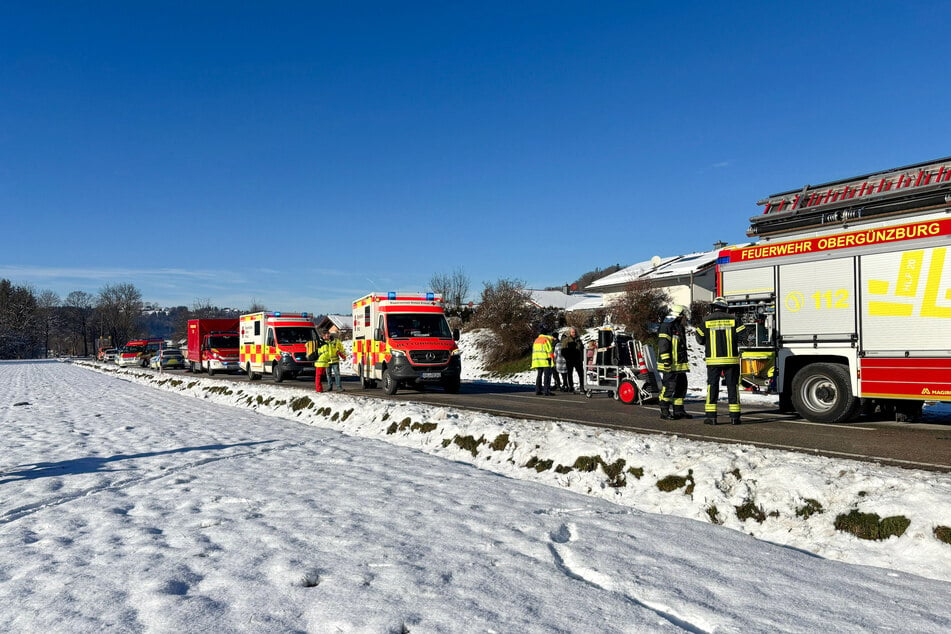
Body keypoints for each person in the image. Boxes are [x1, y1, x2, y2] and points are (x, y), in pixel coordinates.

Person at [695, 297, 747, 425]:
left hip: (713, 361)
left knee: (712, 386)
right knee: (732, 387)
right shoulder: (734, 320)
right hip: (731, 360)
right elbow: (743, 336)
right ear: (725, 307)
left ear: (713, 307)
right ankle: (735, 417)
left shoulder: (705, 321)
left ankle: (711, 417)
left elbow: (699, 339)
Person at [656, 305, 692, 420]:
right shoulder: (666, 326)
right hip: (670, 364)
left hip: (679, 364)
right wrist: (666, 360)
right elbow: (663, 344)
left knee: (682, 387)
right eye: (683, 316)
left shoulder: (678, 327)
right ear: (678, 316)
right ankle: (664, 411)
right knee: (669, 387)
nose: (684, 318)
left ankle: (679, 411)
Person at [560, 327, 585, 393]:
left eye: (575, 332)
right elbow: (563, 351)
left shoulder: (578, 340)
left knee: (581, 373)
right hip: (570, 360)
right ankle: (571, 386)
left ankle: (582, 386)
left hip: (578, 359)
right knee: (570, 373)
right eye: (572, 332)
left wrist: (581, 357)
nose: (574, 333)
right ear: (570, 333)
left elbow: (582, 349)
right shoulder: (566, 340)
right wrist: (567, 357)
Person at [531, 328, 555, 396]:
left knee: (539, 375)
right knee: (547, 376)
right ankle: (546, 391)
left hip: (538, 361)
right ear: (546, 334)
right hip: (545, 360)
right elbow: (550, 351)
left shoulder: (536, 340)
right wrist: (552, 359)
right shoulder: (546, 340)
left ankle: (537, 390)